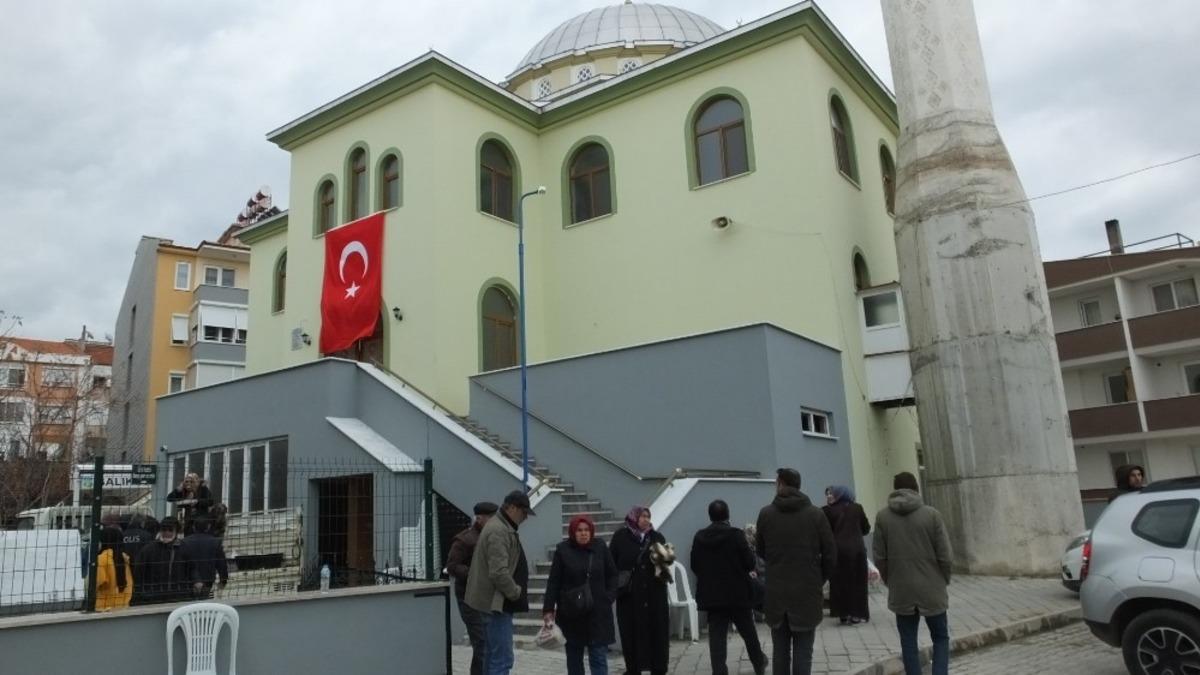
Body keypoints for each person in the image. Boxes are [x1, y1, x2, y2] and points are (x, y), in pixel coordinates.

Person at [755, 468, 835, 675]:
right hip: (807, 591)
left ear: (781, 483)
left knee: (780, 652)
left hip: (776, 592)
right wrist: (818, 578)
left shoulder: (766, 514)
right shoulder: (816, 514)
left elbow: (760, 550)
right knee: (803, 650)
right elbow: (830, 554)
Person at [873, 472, 953, 675]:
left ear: (895, 489)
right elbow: (945, 555)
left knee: (908, 640)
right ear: (916, 488)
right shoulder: (932, 514)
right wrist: (943, 578)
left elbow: (879, 557)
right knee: (941, 637)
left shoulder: (883, 517)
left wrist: (890, 580)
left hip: (901, 588)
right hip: (932, 586)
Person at [691, 500, 768, 675]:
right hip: (737, 595)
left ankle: (719, 671)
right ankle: (758, 663)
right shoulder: (736, 535)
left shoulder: (700, 537)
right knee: (748, 632)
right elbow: (749, 563)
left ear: (710, 516)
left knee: (716, 638)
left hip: (713, 596)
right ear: (728, 515)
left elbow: (695, 565)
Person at [465, 490, 534, 675]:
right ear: (511, 508)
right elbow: (498, 572)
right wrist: (515, 592)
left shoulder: (500, 526)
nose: (526, 517)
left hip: (492, 603)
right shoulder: (499, 530)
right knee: (502, 660)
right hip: (495, 605)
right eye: (524, 512)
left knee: (492, 656)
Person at [543, 514, 619, 675]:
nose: (583, 533)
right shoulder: (563, 550)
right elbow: (554, 582)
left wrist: (609, 597)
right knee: (574, 659)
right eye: (579, 530)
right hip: (571, 613)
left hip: (597, 613)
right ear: (572, 532)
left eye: (586, 530)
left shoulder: (600, 547)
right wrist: (548, 609)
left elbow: (613, 575)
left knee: (598, 657)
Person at [610, 506, 671, 675]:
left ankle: (658, 668)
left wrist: (665, 557)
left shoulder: (656, 537)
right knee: (631, 633)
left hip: (654, 595)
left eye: (648, 516)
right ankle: (633, 669)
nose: (646, 519)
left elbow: (666, 564)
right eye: (642, 516)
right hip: (630, 596)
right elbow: (611, 564)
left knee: (657, 632)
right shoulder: (620, 537)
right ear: (633, 518)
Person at [446, 501, 499, 675]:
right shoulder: (464, 539)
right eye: (490, 518)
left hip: (489, 596)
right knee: (482, 642)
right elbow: (452, 566)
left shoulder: (495, 536)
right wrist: (476, 573)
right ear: (480, 518)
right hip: (468, 598)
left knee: (490, 642)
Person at [822, 485, 871, 624]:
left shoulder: (826, 511)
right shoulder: (857, 508)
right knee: (857, 582)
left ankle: (842, 613)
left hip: (836, 551)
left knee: (838, 582)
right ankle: (857, 614)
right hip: (856, 551)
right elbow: (866, 528)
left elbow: (825, 532)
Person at [132, 516, 196, 605]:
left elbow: (192, 568)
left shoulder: (184, 548)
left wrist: (197, 581)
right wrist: (141, 592)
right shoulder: (148, 549)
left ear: (176, 531)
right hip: (153, 596)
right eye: (164, 529)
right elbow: (138, 571)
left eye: (170, 530)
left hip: (178, 595)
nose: (166, 533)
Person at [180, 516, 229, 598]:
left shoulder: (185, 542)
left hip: (189, 581)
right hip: (207, 580)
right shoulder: (215, 542)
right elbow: (222, 564)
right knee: (205, 605)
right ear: (208, 527)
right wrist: (223, 580)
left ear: (193, 527)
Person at [96, 526, 133, 610]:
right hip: (123, 607)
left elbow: (96, 583)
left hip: (102, 609)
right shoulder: (125, 558)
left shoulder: (102, 559)